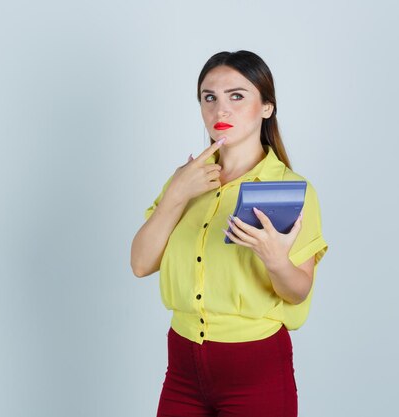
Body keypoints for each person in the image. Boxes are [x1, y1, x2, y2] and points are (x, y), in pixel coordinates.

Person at [130, 50, 328, 417]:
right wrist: (175, 195)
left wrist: (275, 259)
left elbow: (297, 292)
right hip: (182, 367)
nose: (221, 110)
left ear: (267, 106)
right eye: (210, 97)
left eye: (237, 96)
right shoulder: (185, 180)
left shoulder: (290, 189)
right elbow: (140, 264)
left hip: (256, 370)